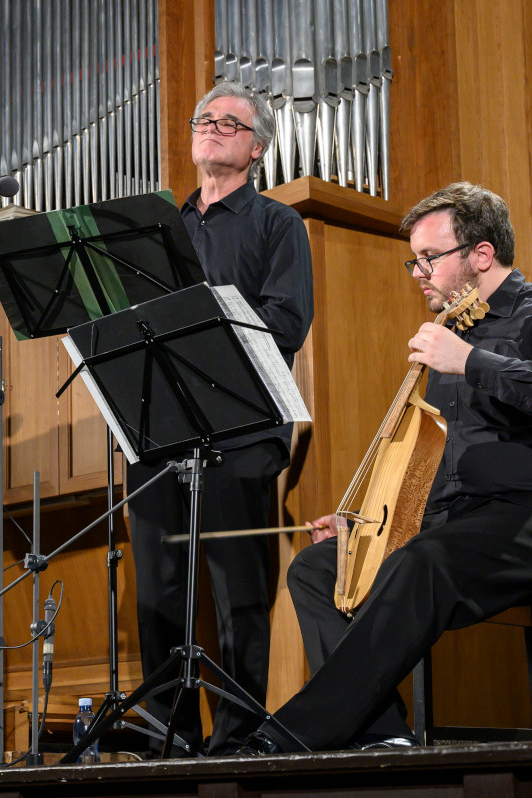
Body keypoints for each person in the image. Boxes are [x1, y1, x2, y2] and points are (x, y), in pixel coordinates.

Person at [236, 182, 532, 754]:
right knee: (319, 569)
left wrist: (474, 363)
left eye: (429, 258)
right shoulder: (451, 334)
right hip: (468, 524)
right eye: (413, 260)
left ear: (481, 255)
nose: (417, 272)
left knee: (426, 560)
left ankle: (291, 735)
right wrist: (370, 524)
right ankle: (383, 739)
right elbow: (445, 470)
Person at [127, 82, 314, 757]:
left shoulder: (276, 224)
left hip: (239, 429)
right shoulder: (161, 228)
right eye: (202, 119)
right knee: (158, 584)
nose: (210, 128)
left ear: (256, 147)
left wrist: (206, 325)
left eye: (228, 123)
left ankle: (237, 736)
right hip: (158, 423)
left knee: (240, 589)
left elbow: (289, 320)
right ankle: (164, 736)